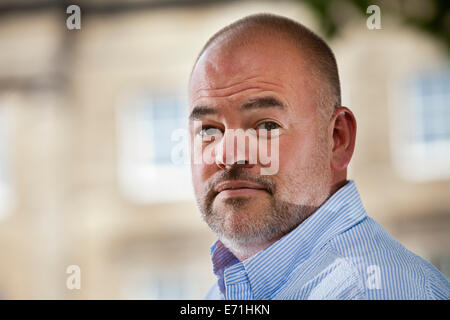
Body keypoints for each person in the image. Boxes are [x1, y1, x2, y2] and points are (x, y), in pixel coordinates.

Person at [187, 13, 449, 300]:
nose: (229, 155)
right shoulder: (228, 289)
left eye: (266, 126)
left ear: (337, 139)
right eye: (210, 130)